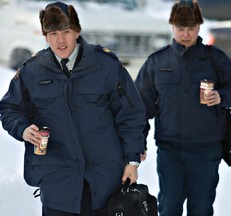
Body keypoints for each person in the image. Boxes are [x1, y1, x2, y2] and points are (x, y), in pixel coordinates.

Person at [0, 1, 146, 216]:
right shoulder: (32, 70)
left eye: (66, 32)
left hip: (104, 179)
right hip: (57, 179)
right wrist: (22, 128)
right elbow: (9, 108)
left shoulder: (106, 65)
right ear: (45, 36)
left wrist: (132, 160)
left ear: (76, 32)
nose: (60, 40)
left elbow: (131, 114)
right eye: (53, 33)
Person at [135, 0, 231, 215]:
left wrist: (221, 96)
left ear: (199, 27)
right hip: (170, 150)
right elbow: (140, 108)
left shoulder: (214, 58)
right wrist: (137, 142)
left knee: (201, 209)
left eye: (191, 28)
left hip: (206, 150)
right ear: (172, 27)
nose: (186, 34)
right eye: (181, 28)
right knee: (169, 207)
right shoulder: (156, 62)